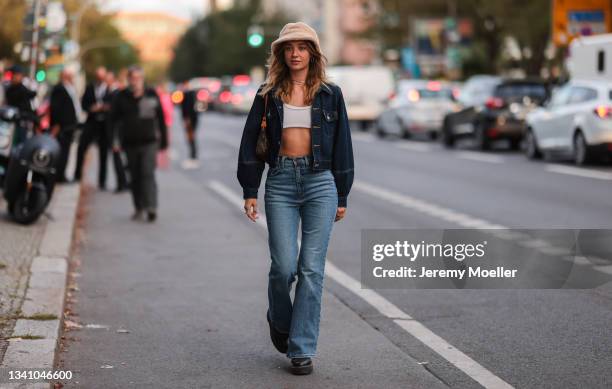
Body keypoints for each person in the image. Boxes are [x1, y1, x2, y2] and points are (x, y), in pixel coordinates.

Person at [237, 22, 354, 375]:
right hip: (282, 182)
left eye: (302, 47)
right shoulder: (268, 93)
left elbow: (342, 145)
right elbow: (248, 143)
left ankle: (301, 349)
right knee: (284, 267)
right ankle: (280, 317)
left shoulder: (331, 94)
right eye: (289, 48)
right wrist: (249, 189)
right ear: (281, 54)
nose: (295, 53)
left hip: (320, 183)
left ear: (312, 54)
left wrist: (342, 193)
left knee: (311, 270)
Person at [111, 66, 168, 222]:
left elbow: (161, 119)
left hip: (149, 142)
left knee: (147, 173)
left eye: (138, 78)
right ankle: (138, 207)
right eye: (132, 78)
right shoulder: (121, 96)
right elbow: (113, 120)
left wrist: (164, 142)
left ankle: (151, 207)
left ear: (142, 79)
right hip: (129, 143)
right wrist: (114, 141)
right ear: (128, 79)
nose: (135, 81)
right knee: (135, 176)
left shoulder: (151, 94)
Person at [74, 66, 110, 189]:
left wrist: (105, 108)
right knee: (81, 148)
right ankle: (77, 175)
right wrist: (91, 108)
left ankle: (102, 181)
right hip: (91, 123)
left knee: (104, 154)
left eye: (102, 76)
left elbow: (114, 107)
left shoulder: (110, 90)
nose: (100, 78)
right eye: (98, 76)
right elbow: (83, 104)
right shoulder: (90, 88)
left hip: (104, 125)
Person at [50, 68, 81, 183]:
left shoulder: (70, 88)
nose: (72, 78)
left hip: (70, 125)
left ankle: (62, 174)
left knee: (66, 151)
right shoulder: (59, 89)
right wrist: (56, 124)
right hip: (62, 127)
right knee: (62, 151)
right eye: (70, 76)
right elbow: (55, 108)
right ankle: (59, 176)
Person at [106, 71, 129, 193]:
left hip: (118, 133)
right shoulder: (119, 95)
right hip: (117, 132)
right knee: (120, 159)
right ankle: (123, 182)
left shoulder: (118, 95)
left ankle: (123, 183)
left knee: (119, 159)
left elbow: (114, 117)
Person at [5, 65, 37, 144]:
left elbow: (32, 95)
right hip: (13, 122)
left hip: (22, 122)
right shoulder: (11, 89)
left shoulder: (22, 88)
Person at [180, 82, 199, 169]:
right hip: (191, 120)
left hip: (190, 120)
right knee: (191, 139)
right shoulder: (192, 94)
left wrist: (187, 119)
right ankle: (192, 157)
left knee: (191, 139)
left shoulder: (188, 94)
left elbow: (187, 108)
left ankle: (193, 158)